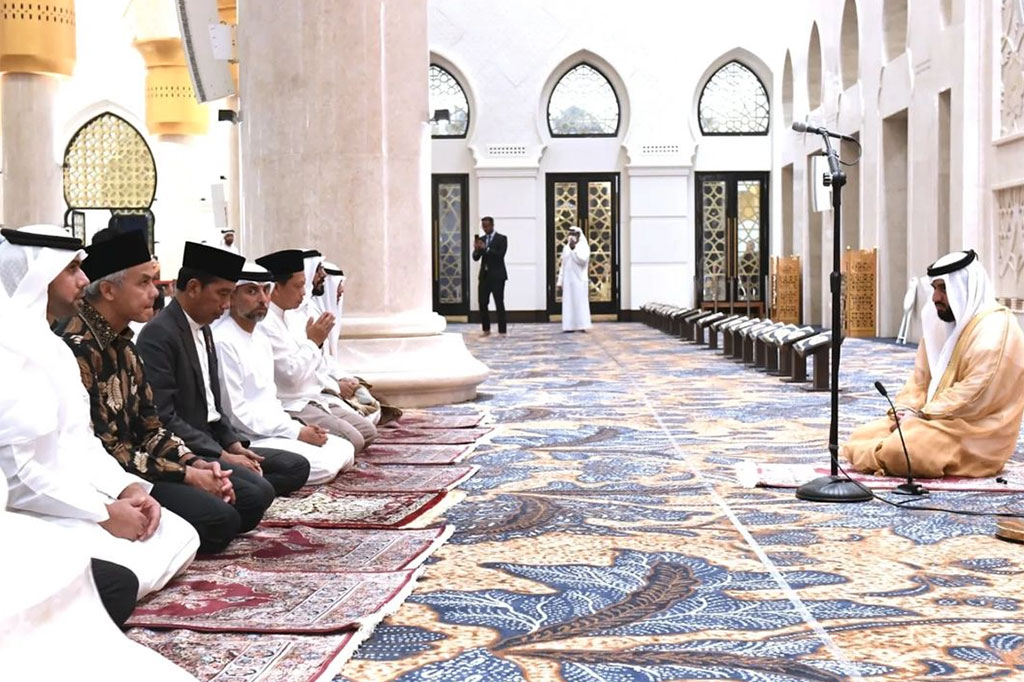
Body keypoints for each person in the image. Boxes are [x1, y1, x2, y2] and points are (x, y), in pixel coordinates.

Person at [0, 225, 198, 598]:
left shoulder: (51, 349)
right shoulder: (8, 352)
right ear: (38, 275)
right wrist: (102, 512)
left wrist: (128, 489)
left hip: (79, 494)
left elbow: (82, 441)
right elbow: (16, 480)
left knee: (182, 535)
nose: (84, 279)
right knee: (117, 582)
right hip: (34, 509)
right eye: (72, 269)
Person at [62, 230, 246, 554]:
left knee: (241, 503)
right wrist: (186, 475)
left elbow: (151, 427)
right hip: (111, 480)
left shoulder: (125, 348)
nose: (155, 293)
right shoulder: (77, 350)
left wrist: (194, 463)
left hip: (141, 467)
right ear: (108, 289)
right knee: (222, 519)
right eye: (144, 283)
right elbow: (107, 449)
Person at [136, 242, 310, 526]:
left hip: (214, 441)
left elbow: (213, 406)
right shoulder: (160, 335)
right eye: (222, 294)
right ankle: (217, 498)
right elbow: (164, 416)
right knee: (255, 496)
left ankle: (226, 491)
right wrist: (220, 454)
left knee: (294, 466)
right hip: (188, 448)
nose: (226, 305)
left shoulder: (203, 327)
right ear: (193, 288)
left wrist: (234, 446)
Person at [842, 250, 1024, 478]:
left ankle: (886, 455)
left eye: (943, 289)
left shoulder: (996, 327)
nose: (935, 297)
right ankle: (884, 454)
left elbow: (977, 393)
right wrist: (905, 410)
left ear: (964, 289)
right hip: (934, 420)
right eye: (935, 288)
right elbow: (919, 382)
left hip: (976, 431)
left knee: (904, 450)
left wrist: (923, 415)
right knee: (861, 436)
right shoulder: (939, 324)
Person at [214, 261, 353, 483]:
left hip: (278, 428)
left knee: (344, 449)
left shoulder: (259, 337)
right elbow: (236, 414)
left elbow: (269, 399)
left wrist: (295, 428)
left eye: (265, 290)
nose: (262, 299)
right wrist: (295, 432)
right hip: (250, 438)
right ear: (231, 297)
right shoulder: (224, 341)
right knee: (323, 465)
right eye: (252, 291)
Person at [256, 249, 379, 451]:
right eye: (298, 286)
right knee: (354, 441)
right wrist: (314, 342)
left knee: (368, 432)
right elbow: (290, 377)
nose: (304, 292)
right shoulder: (266, 324)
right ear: (275, 288)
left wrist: (316, 346)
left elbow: (316, 364)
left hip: (314, 397)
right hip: (293, 405)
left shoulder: (289, 317)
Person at [472, 216, 508, 336]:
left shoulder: (501, 239)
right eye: (483, 226)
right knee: (482, 302)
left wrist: (486, 249)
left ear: (492, 225)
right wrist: (477, 250)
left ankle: (502, 330)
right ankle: (486, 329)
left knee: (499, 302)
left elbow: (500, 254)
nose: (485, 228)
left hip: (497, 276)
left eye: (487, 226)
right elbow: (476, 258)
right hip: (484, 276)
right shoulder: (482, 239)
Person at [557, 226, 592, 333]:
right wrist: (560, 281)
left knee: (580, 303)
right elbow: (563, 265)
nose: (571, 236)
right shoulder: (566, 248)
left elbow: (582, 261)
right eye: (570, 234)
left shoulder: (583, 247)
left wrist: (574, 250)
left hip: (579, 280)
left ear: (579, 235)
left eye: (574, 234)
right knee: (568, 303)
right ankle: (569, 326)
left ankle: (582, 325)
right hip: (568, 281)